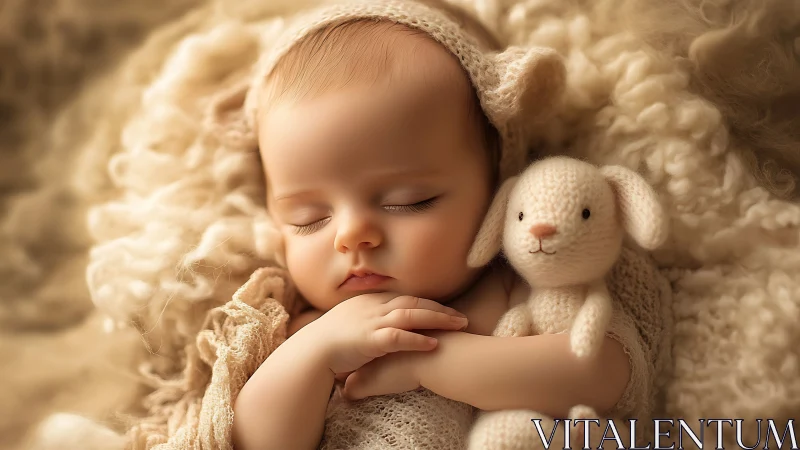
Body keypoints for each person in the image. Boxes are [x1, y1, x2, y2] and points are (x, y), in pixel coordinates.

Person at [232, 1, 633, 449]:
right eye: (308, 219)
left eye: (410, 201)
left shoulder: (511, 292)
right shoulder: (308, 328)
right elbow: (252, 442)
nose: (350, 236)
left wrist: (433, 362)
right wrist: (315, 353)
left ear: (496, 185)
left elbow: (607, 372)